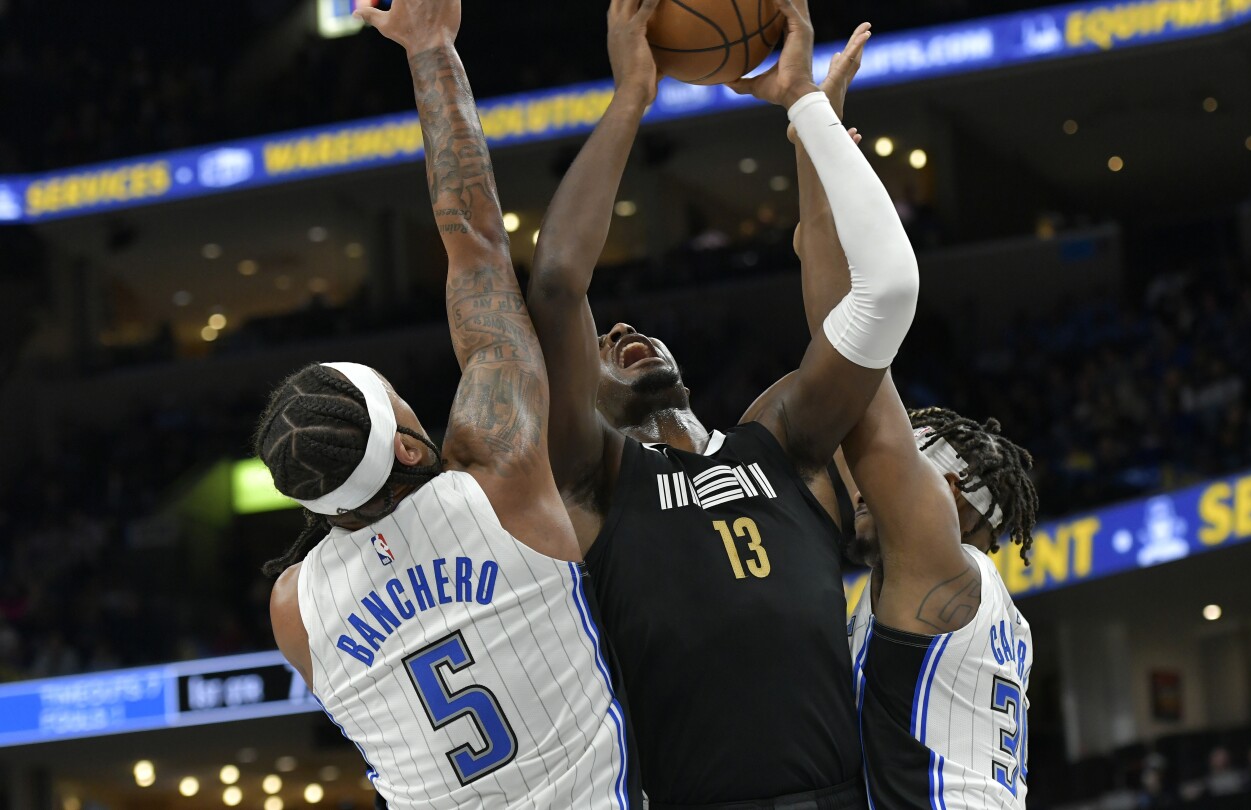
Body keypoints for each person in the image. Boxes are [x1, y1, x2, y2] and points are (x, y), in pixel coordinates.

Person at [526, 0, 919, 804]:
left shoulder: (781, 439)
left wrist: (807, 107)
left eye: (632, 331)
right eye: (605, 343)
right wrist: (631, 97)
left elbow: (880, 297)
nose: (623, 329)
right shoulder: (592, 479)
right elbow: (560, 284)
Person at [257, 0, 637, 806]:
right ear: (404, 444)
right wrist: (432, 50)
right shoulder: (495, 483)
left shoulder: (295, 608)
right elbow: (475, 244)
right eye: (398, 402)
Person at [785, 45, 1040, 806]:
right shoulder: (970, 600)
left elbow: (850, 337)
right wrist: (809, 146)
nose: (860, 476)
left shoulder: (938, 560)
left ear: (951, 492)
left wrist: (807, 110)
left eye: (905, 463)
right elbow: (823, 274)